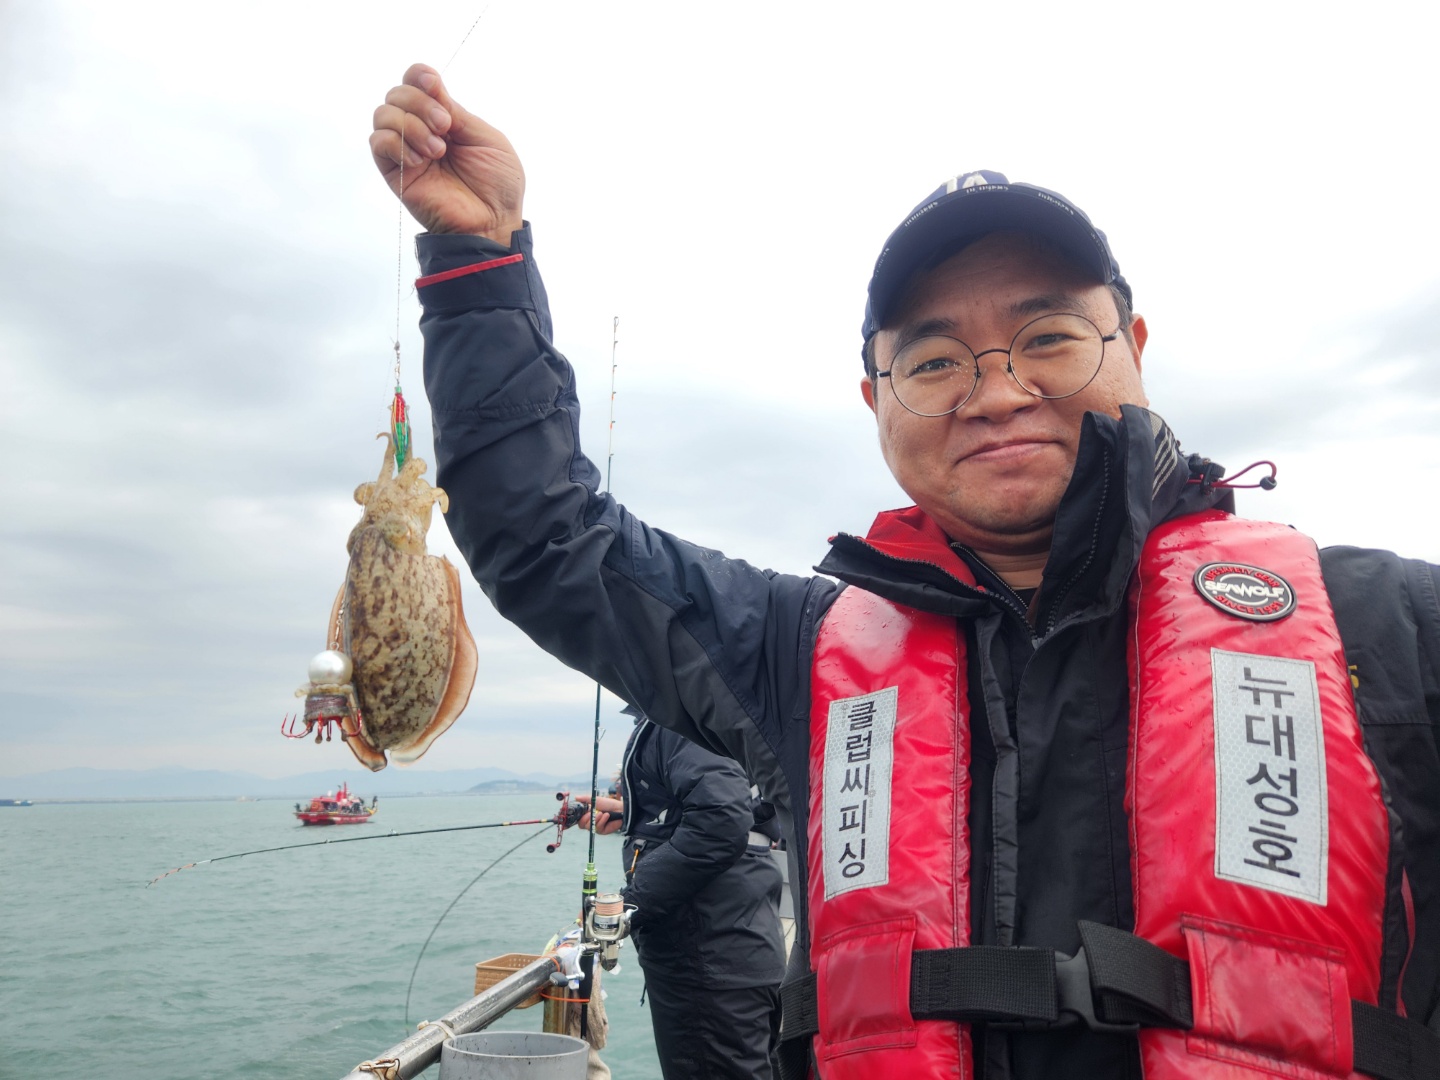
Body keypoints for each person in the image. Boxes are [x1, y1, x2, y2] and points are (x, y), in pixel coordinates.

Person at [370, 65, 1440, 1080]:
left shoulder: (1395, 628)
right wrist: (477, 264)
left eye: (1049, 336)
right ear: (876, 401)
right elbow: (548, 540)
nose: (997, 390)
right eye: (933, 361)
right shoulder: (794, 653)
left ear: (1135, 345)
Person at [573, 706, 786, 1080]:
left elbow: (723, 817)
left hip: (706, 964)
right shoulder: (706, 712)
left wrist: (630, 906)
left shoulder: (676, 719)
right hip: (741, 951)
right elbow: (733, 810)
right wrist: (635, 816)